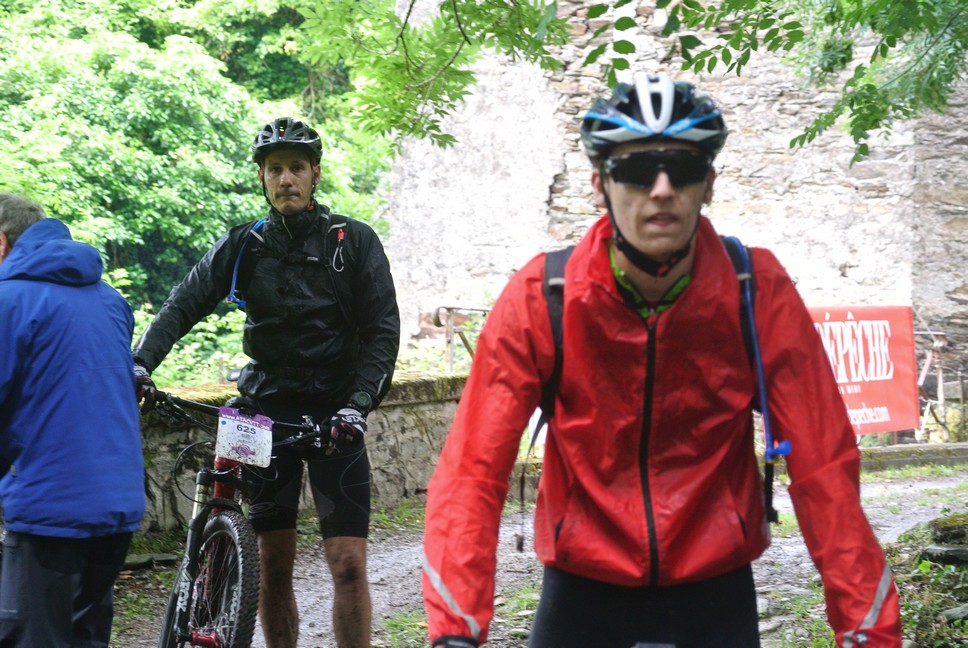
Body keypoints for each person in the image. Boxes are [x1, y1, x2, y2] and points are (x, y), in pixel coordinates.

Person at [421, 73, 902, 647]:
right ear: (599, 185)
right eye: (636, 169)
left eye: (684, 167)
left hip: (715, 593)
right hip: (582, 593)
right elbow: (473, 471)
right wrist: (454, 632)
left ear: (709, 183)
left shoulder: (755, 291)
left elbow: (824, 465)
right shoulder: (543, 296)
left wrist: (868, 631)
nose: (662, 189)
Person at [131, 116, 400, 648]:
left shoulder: (353, 241)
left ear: (315, 173)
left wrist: (357, 404)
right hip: (259, 412)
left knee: (348, 562)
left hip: (334, 415)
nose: (286, 179)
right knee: (269, 562)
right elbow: (183, 303)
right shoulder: (245, 244)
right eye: (274, 169)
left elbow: (382, 332)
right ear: (261, 177)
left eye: (296, 168)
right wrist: (140, 363)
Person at [0, 194, 146, 647]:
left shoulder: (9, 301)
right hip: (117, 508)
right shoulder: (111, 300)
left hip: (48, 511)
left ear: (1, 242)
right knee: (85, 637)